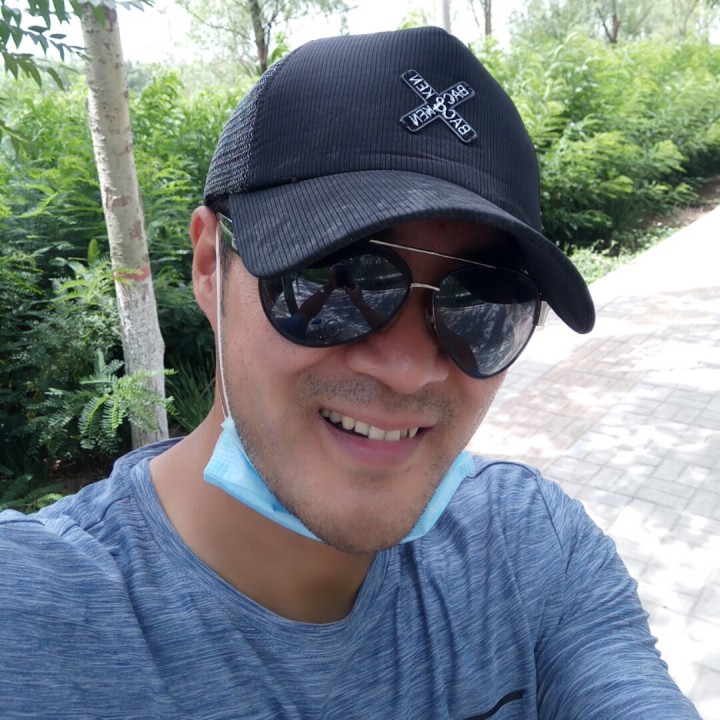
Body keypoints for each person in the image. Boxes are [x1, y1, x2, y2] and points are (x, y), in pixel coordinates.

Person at [0, 27, 700, 719]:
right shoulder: (31, 617)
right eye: (337, 277)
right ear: (211, 265)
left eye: (481, 303)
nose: (408, 370)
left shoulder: (531, 550)